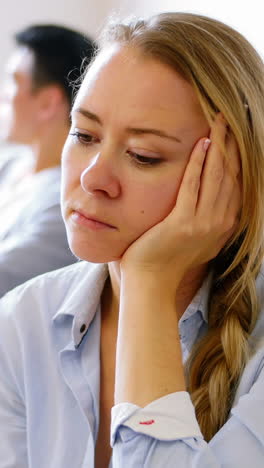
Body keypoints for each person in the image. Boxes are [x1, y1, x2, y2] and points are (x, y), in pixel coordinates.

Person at [0, 11, 264, 468]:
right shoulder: (22, 322)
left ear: (233, 179)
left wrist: (148, 283)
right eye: (83, 134)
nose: (92, 177)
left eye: (143, 156)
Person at [0, 24, 96, 296]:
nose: (3, 94)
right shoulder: (10, 164)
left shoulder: (67, 202)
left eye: (14, 81)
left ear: (48, 102)